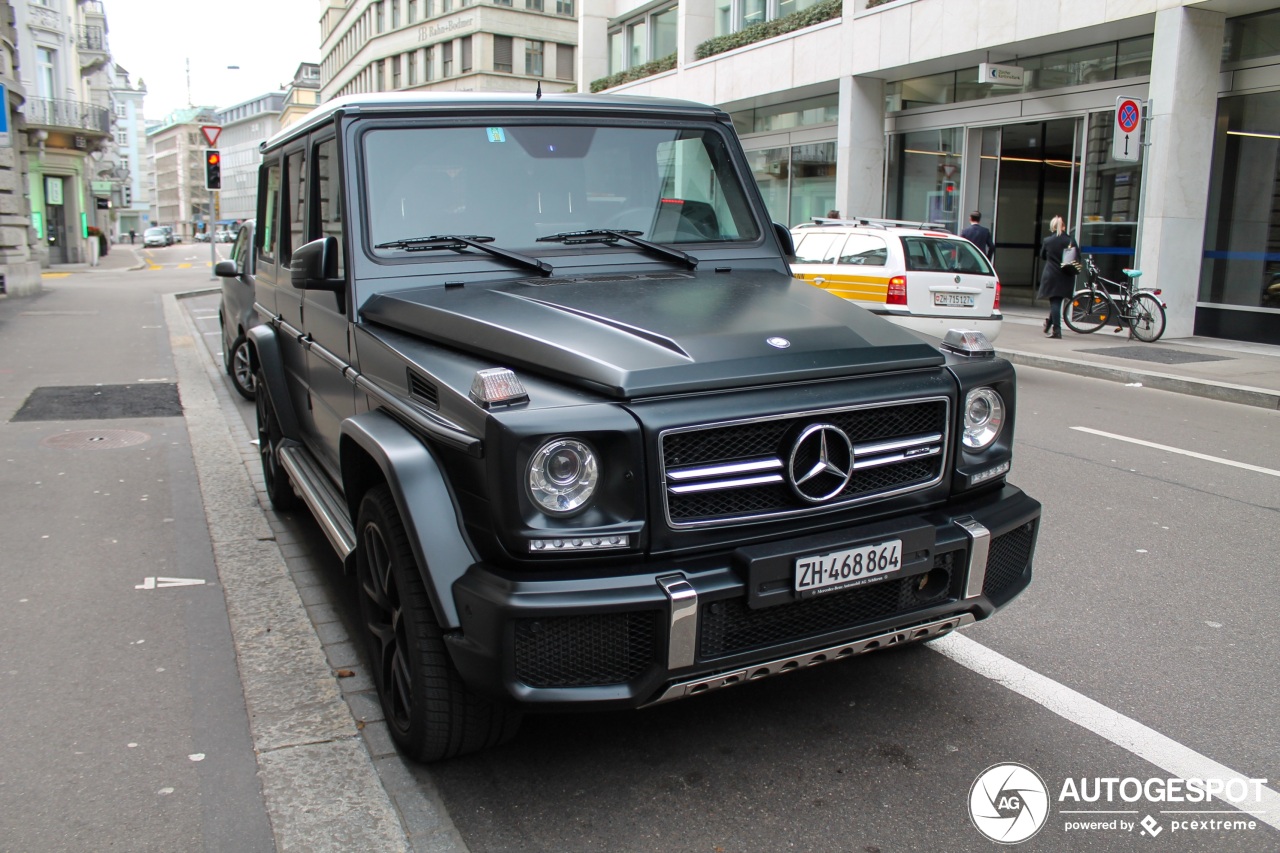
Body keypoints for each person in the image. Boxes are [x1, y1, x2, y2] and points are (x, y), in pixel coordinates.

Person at [1038, 215, 1079, 339]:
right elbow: (1078, 256)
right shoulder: (1070, 240)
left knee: (1055, 302)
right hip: (1066, 275)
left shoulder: (1047, 241)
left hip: (1051, 274)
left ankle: (1057, 330)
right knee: (1057, 301)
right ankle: (1050, 323)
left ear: (1052, 227)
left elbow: (1042, 256)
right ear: (1064, 227)